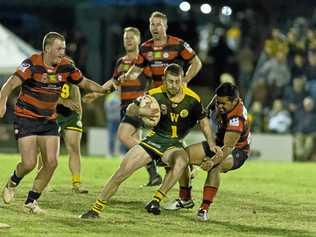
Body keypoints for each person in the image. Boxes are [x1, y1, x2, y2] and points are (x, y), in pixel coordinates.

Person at [79, 63, 221, 219]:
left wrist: (212, 143)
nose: (173, 85)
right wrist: (141, 110)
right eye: (170, 81)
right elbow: (130, 109)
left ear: (182, 80)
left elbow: (204, 124)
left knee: (182, 159)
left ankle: (156, 200)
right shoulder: (153, 94)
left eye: (177, 81)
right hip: (153, 141)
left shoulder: (192, 99)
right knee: (122, 172)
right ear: (164, 80)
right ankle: (95, 209)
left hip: (173, 145)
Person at [0, 32, 108, 213]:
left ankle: (31, 201)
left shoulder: (66, 66)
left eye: (64, 49)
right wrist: (2, 102)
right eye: (59, 49)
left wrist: (102, 90)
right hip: (26, 117)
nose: (62, 52)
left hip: (49, 120)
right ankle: (12, 182)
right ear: (47, 49)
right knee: (29, 164)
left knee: (51, 162)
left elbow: (84, 82)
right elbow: (10, 84)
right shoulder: (32, 62)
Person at [83, 27, 162, 186]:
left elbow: (156, 82)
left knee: (123, 136)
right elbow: (114, 83)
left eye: (131, 38)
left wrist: (154, 102)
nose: (128, 41)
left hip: (138, 105)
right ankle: (154, 174)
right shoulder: (121, 62)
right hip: (124, 106)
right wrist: (97, 93)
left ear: (139, 40)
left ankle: (156, 158)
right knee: (136, 144)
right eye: (126, 38)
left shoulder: (145, 62)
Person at [164, 82, 251, 221]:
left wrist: (211, 162)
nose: (220, 106)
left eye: (223, 104)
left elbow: (228, 148)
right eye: (218, 102)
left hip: (237, 151)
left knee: (216, 166)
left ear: (234, 101)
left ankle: (204, 209)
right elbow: (205, 113)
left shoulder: (237, 119)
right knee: (182, 156)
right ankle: (185, 199)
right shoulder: (219, 101)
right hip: (217, 144)